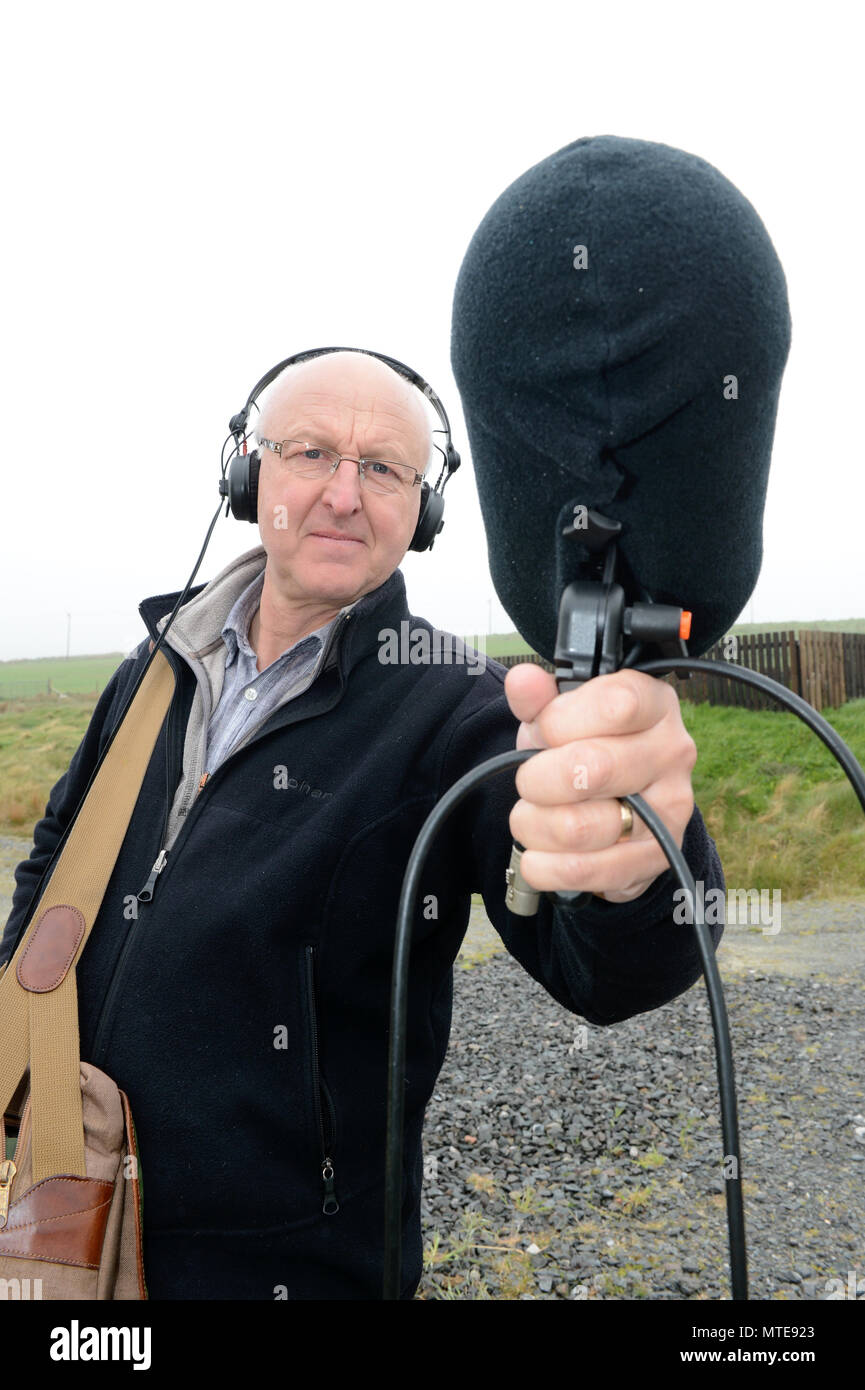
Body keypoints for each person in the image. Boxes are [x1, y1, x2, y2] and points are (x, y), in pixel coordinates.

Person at [0, 349, 724, 1300]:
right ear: (250, 477)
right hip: (61, 1199)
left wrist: (634, 864)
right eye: (311, 453)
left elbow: (602, 970)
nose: (344, 494)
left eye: (383, 468)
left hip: (284, 1265)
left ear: (421, 514)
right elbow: (55, 853)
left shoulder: (459, 711)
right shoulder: (155, 665)